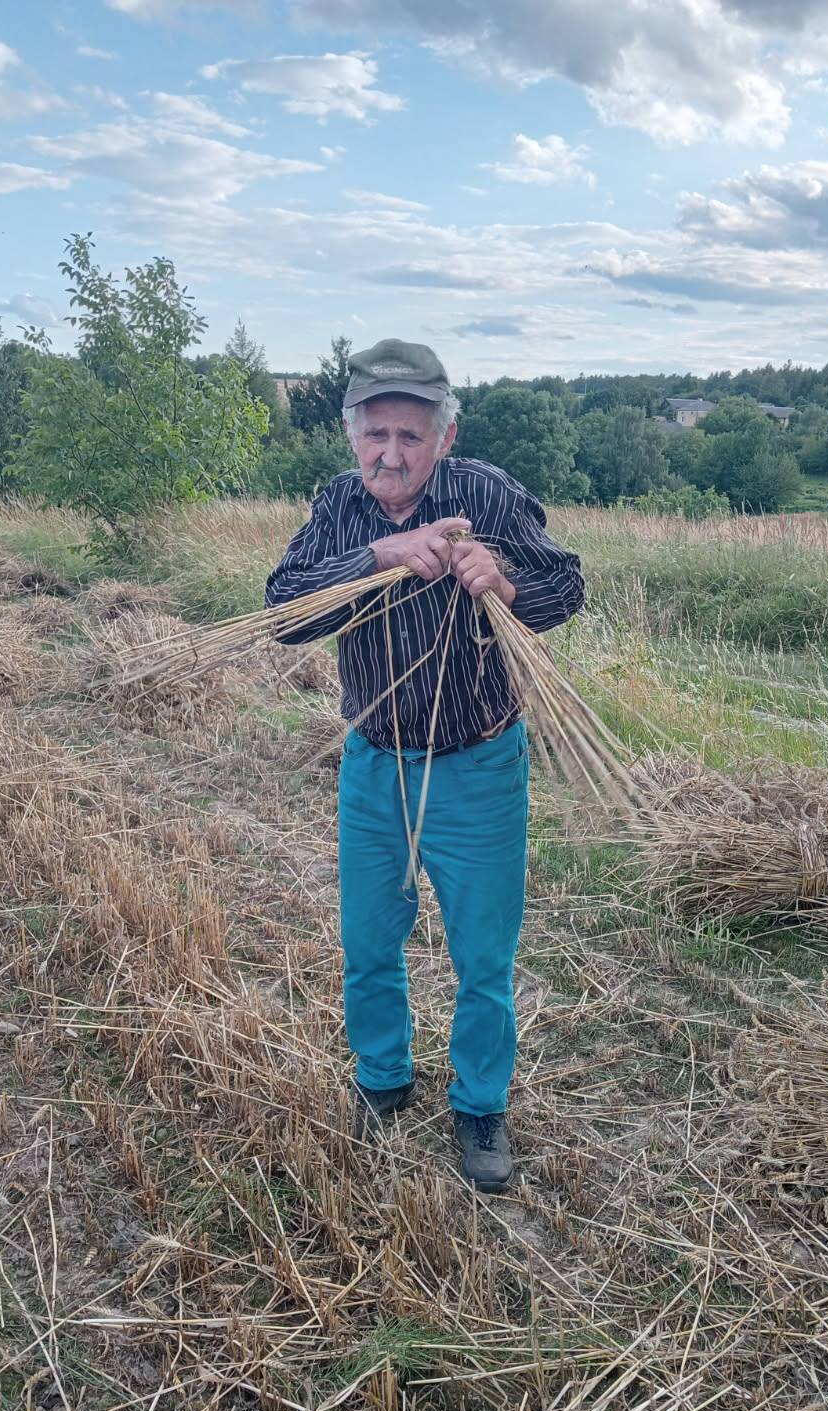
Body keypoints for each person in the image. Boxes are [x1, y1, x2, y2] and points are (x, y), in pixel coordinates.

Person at [265, 339, 584, 1192]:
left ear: (445, 435)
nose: (391, 455)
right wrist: (379, 554)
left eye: (411, 435)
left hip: (478, 767)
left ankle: (480, 1104)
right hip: (375, 764)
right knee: (369, 942)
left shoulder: (484, 493)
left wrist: (507, 581)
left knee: (485, 957)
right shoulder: (340, 506)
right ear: (351, 434)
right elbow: (284, 611)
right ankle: (381, 1080)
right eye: (376, 434)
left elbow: (566, 586)